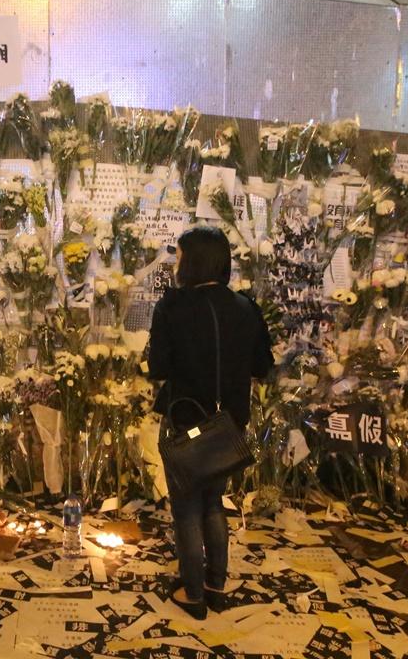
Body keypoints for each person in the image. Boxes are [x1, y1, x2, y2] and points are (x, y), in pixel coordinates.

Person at [147, 226, 274, 619]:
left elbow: (158, 368)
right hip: (229, 424)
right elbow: (262, 366)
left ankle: (193, 595)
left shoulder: (173, 307)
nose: (176, 263)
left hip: (187, 421)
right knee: (214, 503)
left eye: (180, 256)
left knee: (186, 509)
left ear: (193, 261)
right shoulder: (246, 307)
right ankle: (216, 587)